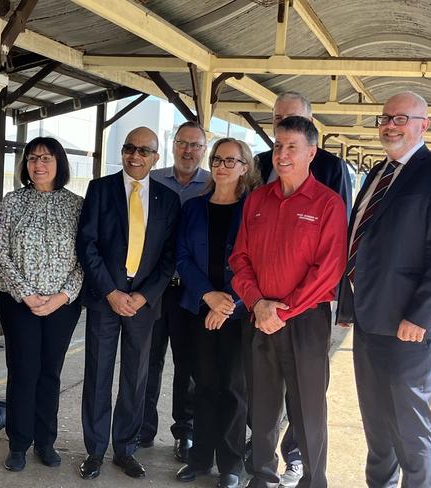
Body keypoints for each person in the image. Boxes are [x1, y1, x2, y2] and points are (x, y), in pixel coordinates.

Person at [336, 91, 431, 488]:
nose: (390, 125)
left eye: (401, 118)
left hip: (410, 325)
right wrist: (348, 305)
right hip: (369, 317)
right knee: (376, 421)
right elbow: (358, 240)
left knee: (409, 424)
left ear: (423, 125)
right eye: (385, 118)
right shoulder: (378, 173)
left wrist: (419, 316)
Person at [230, 116, 347, 488]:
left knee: (307, 410)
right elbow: (240, 259)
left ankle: (315, 481)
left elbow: (328, 270)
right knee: (261, 408)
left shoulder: (328, 204)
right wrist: (257, 303)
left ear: (312, 152)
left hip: (305, 322)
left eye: (291, 147)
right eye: (278, 146)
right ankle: (262, 477)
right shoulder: (258, 200)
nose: (281, 154)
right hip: (260, 317)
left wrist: (283, 310)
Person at [76, 127, 180, 480]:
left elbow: (169, 257)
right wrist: (111, 292)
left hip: (143, 304)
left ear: (156, 157)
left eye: (143, 150)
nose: (135, 156)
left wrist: (143, 295)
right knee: (98, 375)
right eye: (129, 148)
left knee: (137, 378)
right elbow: (86, 245)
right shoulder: (100, 189)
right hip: (106, 299)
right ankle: (94, 451)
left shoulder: (167, 200)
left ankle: (126, 448)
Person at [0, 137, 84, 472]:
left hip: (63, 303)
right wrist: (26, 294)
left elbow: (85, 258)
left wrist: (61, 296)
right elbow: (0, 253)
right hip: (19, 303)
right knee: (23, 371)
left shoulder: (77, 205)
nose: (38, 164)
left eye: (46, 158)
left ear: (59, 163)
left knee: (50, 373)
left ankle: (45, 442)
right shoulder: (13, 203)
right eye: (32, 158)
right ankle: (18, 443)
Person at [175, 138, 259, 488]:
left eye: (230, 160)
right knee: (203, 385)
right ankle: (199, 460)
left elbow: (257, 262)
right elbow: (182, 257)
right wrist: (209, 296)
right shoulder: (193, 208)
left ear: (244, 167)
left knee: (234, 389)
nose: (222, 166)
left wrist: (228, 304)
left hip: (238, 314)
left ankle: (231, 465)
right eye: (218, 160)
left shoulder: (254, 209)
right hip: (198, 309)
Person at [140, 120, 211, 462]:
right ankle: (141, 428)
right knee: (147, 360)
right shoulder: (152, 179)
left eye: (196, 145)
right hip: (155, 289)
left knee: (188, 365)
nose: (188, 150)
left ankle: (186, 433)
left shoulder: (213, 184)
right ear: (172, 145)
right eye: (183, 143)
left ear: (204, 149)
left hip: (191, 293)